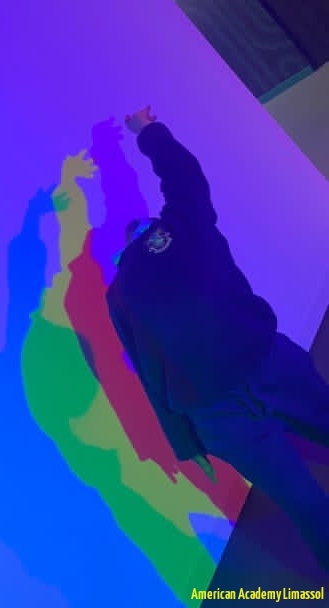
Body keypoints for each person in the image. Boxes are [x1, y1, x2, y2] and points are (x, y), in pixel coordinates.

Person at [106, 105, 329, 574]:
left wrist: (186, 444)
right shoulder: (180, 228)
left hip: (219, 412)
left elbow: (149, 373)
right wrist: (148, 130)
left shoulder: (121, 291)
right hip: (262, 366)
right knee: (311, 483)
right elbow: (183, 175)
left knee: (305, 504)